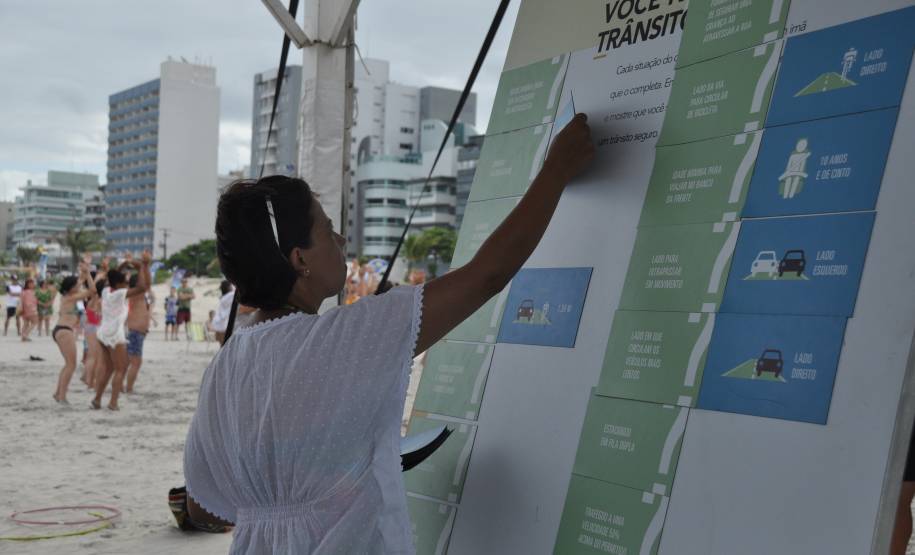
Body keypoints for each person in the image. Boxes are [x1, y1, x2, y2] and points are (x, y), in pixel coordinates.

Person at [179, 114, 593, 552]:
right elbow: (486, 277)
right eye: (326, 229)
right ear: (299, 258)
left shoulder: (225, 366)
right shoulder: (339, 340)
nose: (340, 239)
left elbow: (203, 507)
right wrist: (556, 171)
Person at [92, 252, 151, 411]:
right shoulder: (119, 294)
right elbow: (142, 287)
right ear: (118, 284)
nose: (126, 283)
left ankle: (97, 399)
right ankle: (113, 402)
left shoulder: (106, 291)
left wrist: (123, 265)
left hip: (102, 333)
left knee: (109, 368)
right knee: (121, 368)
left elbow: (113, 276)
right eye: (124, 281)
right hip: (114, 335)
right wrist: (142, 266)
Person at [51, 264, 96, 404]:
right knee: (71, 365)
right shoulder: (71, 297)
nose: (79, 285)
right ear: (71, 288)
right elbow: (93, 290)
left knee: (68, 365)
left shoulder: (68, 295)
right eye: (77, 285)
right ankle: (62, 396)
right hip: (64, 330)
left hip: (62, 329)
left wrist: (83, 273)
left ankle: (58, 393)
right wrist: (88, 274)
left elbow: (79, 282)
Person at [124, 272, 153, 394]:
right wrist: (144, 266)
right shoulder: (136, 293)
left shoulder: (139, 294)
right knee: (135, 362)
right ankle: (128, 388)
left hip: (137, 332)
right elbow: (148, 284)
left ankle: (125, 386)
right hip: (135, 331)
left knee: (131, 361)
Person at [81, 278, 105, 389]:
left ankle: (86, 377)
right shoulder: (97, 299)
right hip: (94, 327)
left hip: (90, 327)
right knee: (93, 356)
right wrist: (88, 275)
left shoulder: (93, 300)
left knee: (91, 355)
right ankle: (89, 381)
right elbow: (94, 289)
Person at [210, 280, 234, 345]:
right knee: (225, 344)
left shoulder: (224, 297)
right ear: (228, 287)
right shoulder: (229, 296)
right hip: (223, 323)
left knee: (222, 345)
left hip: (219, 322)